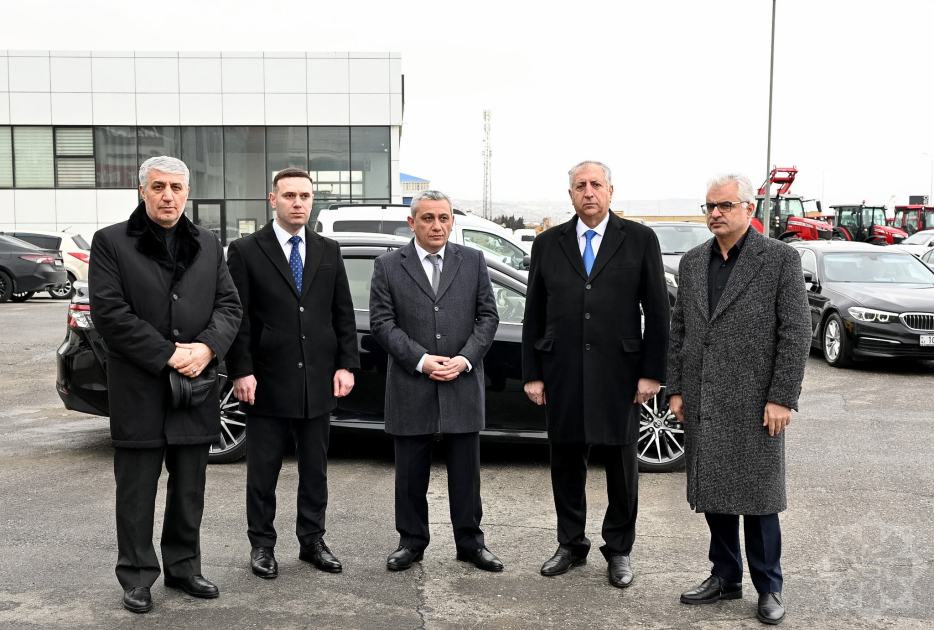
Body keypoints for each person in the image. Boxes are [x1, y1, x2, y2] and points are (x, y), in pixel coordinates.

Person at [89, 156, 242, 613]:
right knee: (136, 490)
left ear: (187, 192)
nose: (168, 196)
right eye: (158, 187)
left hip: (196, 386)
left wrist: (207, 348)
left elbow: (229, 306)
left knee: (190, 486)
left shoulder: (208, 243)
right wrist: (169, 354)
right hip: (139, 388)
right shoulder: (111, 242)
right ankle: (137, 576)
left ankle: (184, 567)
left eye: (176, 187)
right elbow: (110, 314)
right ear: (143, 191)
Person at [667, 173, 811, 626]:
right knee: (715, 493)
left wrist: (782, 397)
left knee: (760, 500)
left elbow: (796, 332)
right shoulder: (693, 261)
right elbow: (679, 329)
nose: (715, 213)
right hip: (704, 399)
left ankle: (769, 587)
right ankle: (725, 577)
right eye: (710, 206)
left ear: (749, 208)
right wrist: (676, 388)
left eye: (725, 205)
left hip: (756, 402)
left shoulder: (780, 259)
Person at [521, 161, 670, 588]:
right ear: (570, 194)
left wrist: (652, 373)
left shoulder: (639, 239)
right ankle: (570, 544)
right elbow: (535, 313)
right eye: (580, 186)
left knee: (621, 466)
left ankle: (619, 550)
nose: (589, 192)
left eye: (596, 184)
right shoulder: (548, 243)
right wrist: (533, 373)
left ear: (610, 191)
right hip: (562, 371)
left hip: (620, 373)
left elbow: (658, 310)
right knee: (566, 462)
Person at [226, 168, 359, 580]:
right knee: (263, 470)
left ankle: (312, 541)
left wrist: (346, 364)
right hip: (266, 380)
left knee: (315, 469)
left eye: (305, 195)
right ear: (273, 199)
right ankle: (262, 545)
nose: (298, 203)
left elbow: (342, 312)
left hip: (318, 379)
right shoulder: (246, 250)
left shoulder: (328, 249)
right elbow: (238, 318)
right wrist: (241, 371)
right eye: (289, 196)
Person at [369, 190, 503, 572]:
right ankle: (411, 543)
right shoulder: (388, 266)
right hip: (411, 384)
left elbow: (488, 317)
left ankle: (471, 544)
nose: (437, 225)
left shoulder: (473, 261)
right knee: (410, 475)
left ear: (452, 221)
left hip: (462, 382)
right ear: (412, 223)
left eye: (443, 218)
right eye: (428, 218)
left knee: (466, 476)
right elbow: (382, 322)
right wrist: (422, 360)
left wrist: (465, 359)